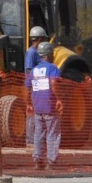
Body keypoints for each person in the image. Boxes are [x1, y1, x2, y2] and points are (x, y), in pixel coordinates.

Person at [29, 41, 62, 169]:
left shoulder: (34, 70)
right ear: (50, 54)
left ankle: (38, 160)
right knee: (52, 133)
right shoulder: (53, 68)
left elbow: (27, 87)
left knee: (39, 134)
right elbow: (53, 83)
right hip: (50, 106)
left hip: (37, 107)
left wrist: (28, 103)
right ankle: (51, 161)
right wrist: (59, 99)